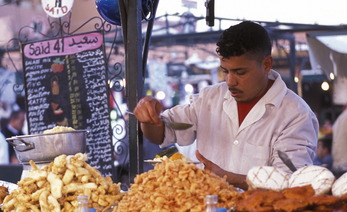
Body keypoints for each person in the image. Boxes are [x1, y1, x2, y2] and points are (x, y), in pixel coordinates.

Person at [132, 21, 318, 189]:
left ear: (266, 64)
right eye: (225, 71)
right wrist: (148, 119)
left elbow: (289, 184)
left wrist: (229, 178)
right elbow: (163, 133)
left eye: (240, 72)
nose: (230, 81)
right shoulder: (209, 98)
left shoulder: (296, 115)